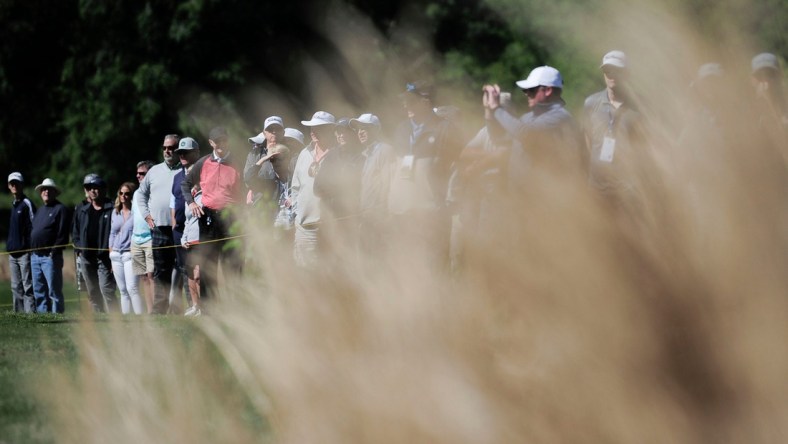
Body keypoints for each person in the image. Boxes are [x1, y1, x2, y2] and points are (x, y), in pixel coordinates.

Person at [388, 81, 463, 270]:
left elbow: (457, 170)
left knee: (434, 269)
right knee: (407, 268)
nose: (405, 105)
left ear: (425, 102)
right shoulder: (401, 129)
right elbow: (395, 169)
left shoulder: (445, 129)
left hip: (432, 213)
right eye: (404, 101)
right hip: (404, 213)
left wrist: (446, 204)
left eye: (410, 101)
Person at [182, 126, 243, 301]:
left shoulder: (237, 162)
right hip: (208, 217)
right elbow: (185, 184)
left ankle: (235, 307)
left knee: (233, 263)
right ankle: (210, 309)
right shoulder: (203, 163)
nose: (221, 144)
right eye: (217, 141)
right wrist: (192, 203)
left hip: (232, 217)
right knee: (208, 264)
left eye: (224, 140)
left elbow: (248, 186)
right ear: (211, 143)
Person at [582, 50, 647, 197]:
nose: (612, 74)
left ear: (627, 73)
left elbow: (645, 145)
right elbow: (588, 140)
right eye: (607, 70)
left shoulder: (639, 107)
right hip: (597, 185)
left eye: (618, 70)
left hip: (628, 187)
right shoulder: (591, 104)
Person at [137, 134, 181, 314]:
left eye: (171, 147)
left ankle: (180, 309)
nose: (167, 151)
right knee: (161, 271)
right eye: (164, 148)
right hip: (160, 228)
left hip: (180, 228)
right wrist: (147, 216)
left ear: (178, 149)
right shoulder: (154, 171)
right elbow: (141, 194)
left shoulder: (185, 170)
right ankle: (160, 310)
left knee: (184, 270)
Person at [289, 111, 337, 267]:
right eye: (311, 127)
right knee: (304, 274)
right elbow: (295, 187)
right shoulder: (304, 153)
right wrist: (298, 214)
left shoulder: (338, 154)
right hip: (303, 227)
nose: (313, 132)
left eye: (319, 127)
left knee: (328, 272)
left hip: (329, 228)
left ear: (330, 129)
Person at [349, 113, 394, 255]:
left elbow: (389, 184)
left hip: (379, 216)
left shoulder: (385, 150)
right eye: (358, 129)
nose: (360, 132)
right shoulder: (365, 154)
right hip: (366, 216)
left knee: (378, 258)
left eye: (365, 128)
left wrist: (383, 214)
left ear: (376, 130)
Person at [72, 173, 116, 313]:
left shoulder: (112, 208)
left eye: (96, 187)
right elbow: (75, 232)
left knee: (106, 289)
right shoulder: (82, 209)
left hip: (104, 257)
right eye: (89, 188)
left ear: (103, 189)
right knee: (92, 292)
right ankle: (99, 318)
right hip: (86, 257)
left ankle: (116, 318)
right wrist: (79, 249)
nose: (92, 190)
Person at [30, 178, 70, 313]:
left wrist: (53, 252)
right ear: (41, 193)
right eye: (43, 189)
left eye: (49, 189)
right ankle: (44, 316)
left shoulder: (60, 209)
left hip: (50, 257)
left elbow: (62, 235)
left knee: (54, 290)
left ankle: (57, 315)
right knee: (39, 290)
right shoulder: (40, 210)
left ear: (54, 192)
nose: (46, 191)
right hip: (35, 256)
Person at [171, 137, 200, 313]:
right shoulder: (177, 176)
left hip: (198, 226)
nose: (182, 155)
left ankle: (204, 305)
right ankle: (194, 305)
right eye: (180, 153)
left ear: (196, 152)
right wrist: (174, 222)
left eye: (185, 152)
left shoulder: (203, 171)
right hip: (182, 229)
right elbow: (173, 200)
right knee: (187, 270)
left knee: (199, 272)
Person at [109, 182, 143, 315]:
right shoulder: (115, 212)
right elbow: (112, 233)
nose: (124, 196)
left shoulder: (137, 213)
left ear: (132, 195)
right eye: (121, 193)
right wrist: (111, 252)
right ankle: (126, 319)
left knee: (132, 288)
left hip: (130, 254)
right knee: (122, 290)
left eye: (127, 193)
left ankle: (140, 317)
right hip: (116, 255)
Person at [7, 172, 36, 312]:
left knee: (27, 286)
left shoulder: (27, 204)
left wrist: (30, 248)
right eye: (12, 183)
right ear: (9, 186)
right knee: (15, 286)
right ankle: (18, 315)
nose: (14, 185)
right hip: (13, 253)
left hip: (25, 252)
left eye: (16, 183)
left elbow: (34, 227)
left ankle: (30, 314)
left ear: (21, 185)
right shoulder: (13, 204)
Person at [131, 160, 155, 313]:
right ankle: (149, 310)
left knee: (152, 276)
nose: (138, 176)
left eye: (142, 173)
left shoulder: (154, 192)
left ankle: (156, 309)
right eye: (137, 173)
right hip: (136, 240)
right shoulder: (135, 193)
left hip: (150, 238)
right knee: (143, 278)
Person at [245, 116, 285, 206]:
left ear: (283, 133)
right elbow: (247, 179)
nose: (274, 132)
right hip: (261, 207)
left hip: (284, 209)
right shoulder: (254, 154)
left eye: (278, 129)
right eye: (270, 129)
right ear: (264, 133)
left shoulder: (291, 155)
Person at [750, 52, 787, 129]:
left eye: (771, 74)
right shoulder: (750, 111)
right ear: (753, 81)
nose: (766, 81)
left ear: (780, 76)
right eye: (760, 76)